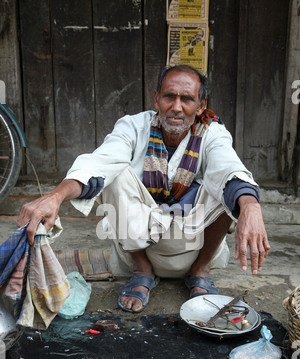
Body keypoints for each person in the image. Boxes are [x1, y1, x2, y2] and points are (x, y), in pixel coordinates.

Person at [17, 64, 270, 313]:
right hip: (140, 247)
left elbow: (229, 168)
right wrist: (55, 195)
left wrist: (251, 205)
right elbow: (99, 162)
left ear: (201, 105)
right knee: (113, 173)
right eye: (169, 96)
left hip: (196, 247)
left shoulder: (212, 134)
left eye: (187, 99)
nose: (177, 107)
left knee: (226, 185)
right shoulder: (133, 127)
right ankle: (142, 271)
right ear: (156, 98)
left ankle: (200, 272)